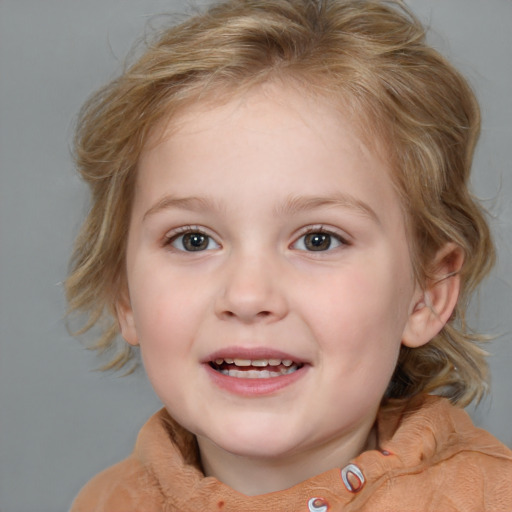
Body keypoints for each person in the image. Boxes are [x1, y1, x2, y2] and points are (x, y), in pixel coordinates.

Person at [67, 0, 512, 510]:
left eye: (318, 239)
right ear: (124, 292)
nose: (248, 295)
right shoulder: (105, 502)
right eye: (193, 239)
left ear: (426, 296)